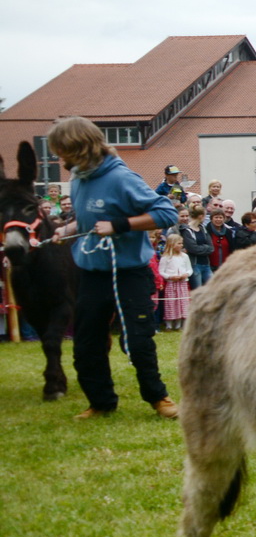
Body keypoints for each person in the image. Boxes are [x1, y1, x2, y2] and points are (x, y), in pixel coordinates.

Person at [46, 116, 181, 420]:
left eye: (62, 151)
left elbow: (165, 212)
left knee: (138, 340)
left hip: (129, 273)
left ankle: (158, 398)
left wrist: (120, 225)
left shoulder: (122, 178)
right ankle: (101, 402)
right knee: (86, 343)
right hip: (92, 274)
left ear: (80, 147)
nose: (60, 158)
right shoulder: (79, 177)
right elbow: (87, 222)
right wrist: (66, 231)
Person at [158, 232, 192, 331]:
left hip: (182, 284)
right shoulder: (166, 257)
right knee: (171, 303)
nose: (181, 245)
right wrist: (170, 276)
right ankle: (169, 324)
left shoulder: (184, 256)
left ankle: (179, 324)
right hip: (171, 284)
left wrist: (186, 274)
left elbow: (189, 269)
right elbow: (161, 271)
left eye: (181, 243)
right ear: (172, 244)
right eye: (179, 243)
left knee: (182, 303)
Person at [180, 201, 214, 288]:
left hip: (206, 264)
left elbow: (211, 247)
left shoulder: (203, 228)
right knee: (197, 290)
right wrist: (205, 247)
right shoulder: (187, 231)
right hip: (195, 265)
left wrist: (203, 248)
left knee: (211, 288)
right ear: (201, 216)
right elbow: (193, 248)